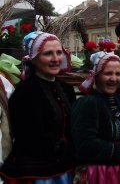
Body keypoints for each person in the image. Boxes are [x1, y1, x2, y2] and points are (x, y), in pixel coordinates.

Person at [0, 31, 76, 183]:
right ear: (33, 59)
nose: (56, 59)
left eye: (59, 52)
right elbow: (29, 139)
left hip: (64, 167)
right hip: (37, 173)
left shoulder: (66, 89)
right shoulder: (24, 93)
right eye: (48, 53)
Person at [72, 52, 120, 183]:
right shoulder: (88, 103)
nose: (114, 79)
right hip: (97, 173)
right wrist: (118, 151)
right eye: (108, 73)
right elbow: (84, 144)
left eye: (118, 74)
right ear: (97, 76)